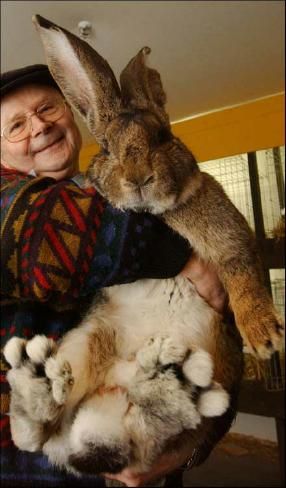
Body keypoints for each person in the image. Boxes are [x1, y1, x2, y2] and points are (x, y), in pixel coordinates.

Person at [1, 64, 227, 487]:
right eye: (16, 125)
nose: (39, 126)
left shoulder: (119, 188)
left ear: (73, 113)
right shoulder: (11, 203)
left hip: (132, 443)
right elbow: (49, 236)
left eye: (48, 108)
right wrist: (184, 255)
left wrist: (187, 450)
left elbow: (219, 322)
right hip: (24, 471)